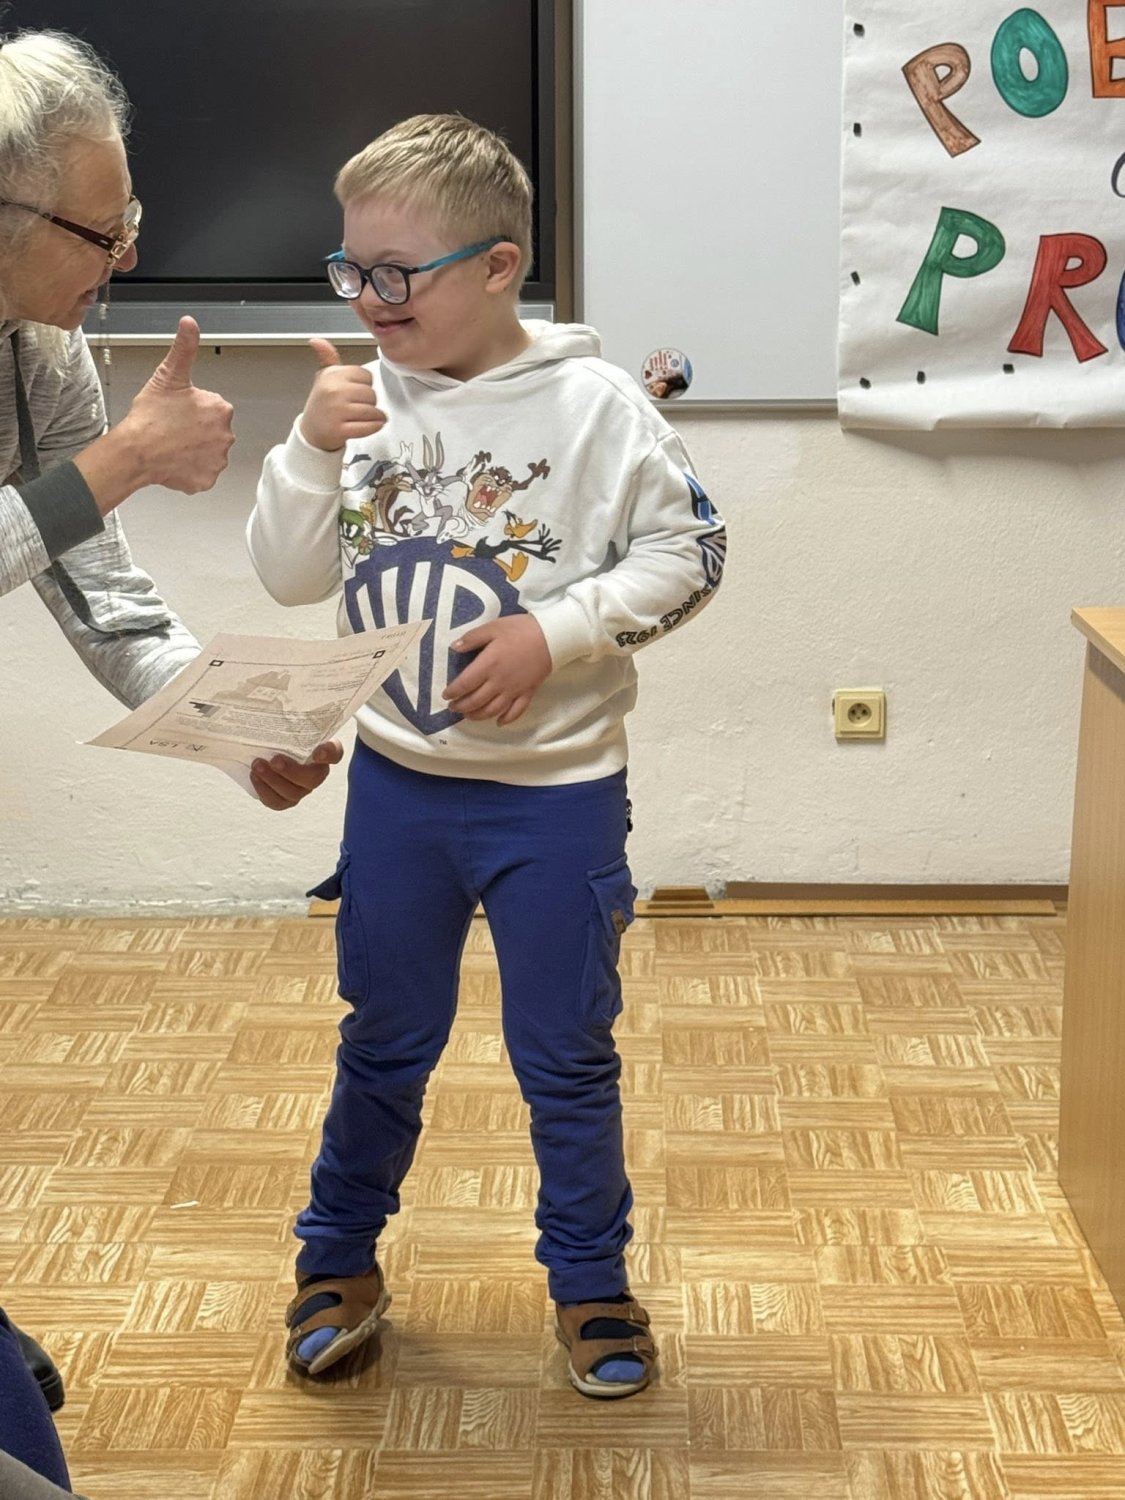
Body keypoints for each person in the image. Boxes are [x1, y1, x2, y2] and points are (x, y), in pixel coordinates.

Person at [247, 113, 726, 1400]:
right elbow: (289, 577)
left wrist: (555, 634)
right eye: (351, 270)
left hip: (555, 802)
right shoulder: (361, 402)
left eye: (398, 272)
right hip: (398, 794)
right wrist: (308, 447)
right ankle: (335, 1261)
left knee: (565, 1054)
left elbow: (691, 554)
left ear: (501, 265)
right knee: (383, 1038)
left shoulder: (598, 406)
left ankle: (591, 1282)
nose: (369, 298)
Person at [0, 28, 339, 1492]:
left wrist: (232, 730)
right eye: (101, 230)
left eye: (127, 218)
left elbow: (104, 596)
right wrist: (119, 463)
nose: (127, 255)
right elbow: (81, 503)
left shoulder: (47, 354)